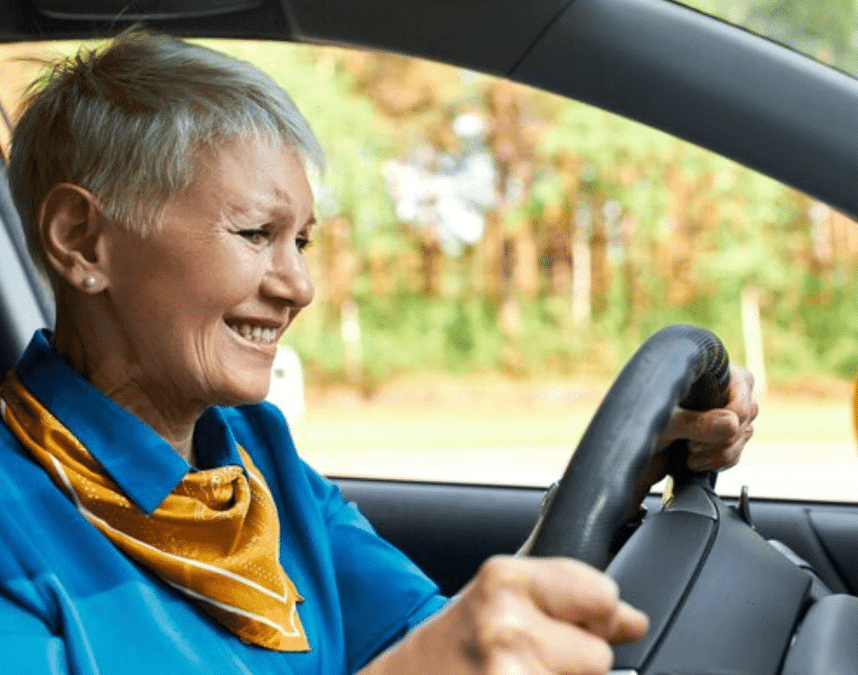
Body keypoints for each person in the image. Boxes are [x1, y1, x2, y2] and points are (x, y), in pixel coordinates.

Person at [0, 31, 758, 675]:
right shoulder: (13, 528)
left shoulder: (257, 457)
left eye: (300, 241)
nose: (298, 286)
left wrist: (626, 473)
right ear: (81, 240)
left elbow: (440, 638)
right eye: (255, 234)